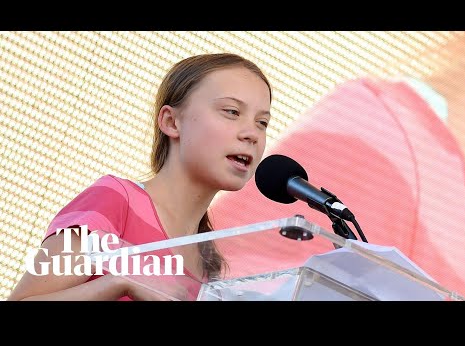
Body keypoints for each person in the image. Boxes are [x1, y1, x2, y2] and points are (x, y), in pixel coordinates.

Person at [7, 53, 273, 301]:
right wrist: (119, 281)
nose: (252, 134)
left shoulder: (209, 264)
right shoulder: (114, 200)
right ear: (171, 122)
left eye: (262, 122)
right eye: (232, 112)